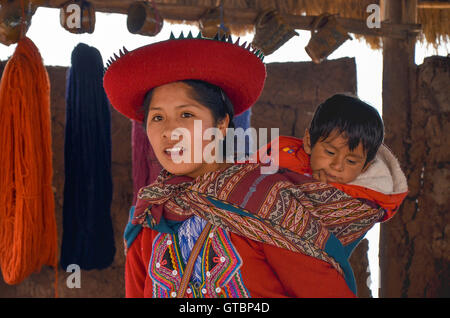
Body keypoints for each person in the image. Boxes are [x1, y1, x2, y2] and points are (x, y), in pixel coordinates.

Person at [103, 32, 386, 298]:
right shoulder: (149, 216)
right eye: (157, 118)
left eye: (186, 114)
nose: (169, 131)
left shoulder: (264, 202)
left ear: (222, 124)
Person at [257, 94, 408, 250]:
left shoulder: (362, 201)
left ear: (364, 167)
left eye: (351, 161)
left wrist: (316, 190)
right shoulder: (282, 152)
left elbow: (316, 237)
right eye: (330, 152)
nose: (337, 165)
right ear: (309, 142)